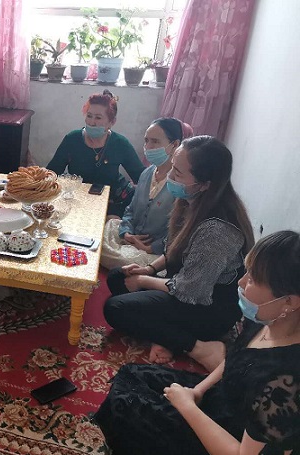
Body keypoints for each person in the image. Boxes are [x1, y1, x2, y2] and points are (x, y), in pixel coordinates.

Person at [96, 230, 300, 455]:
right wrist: (197, 391)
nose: (241, 282)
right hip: (219, 399)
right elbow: (237, 357)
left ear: (289, 302)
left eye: (252, 279)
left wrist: (187, 407)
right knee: (130, 378)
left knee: (127, 407)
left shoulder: (287, 381)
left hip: (227, 437)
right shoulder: (265, 319)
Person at [104, 136, 254, 371]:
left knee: (115, 309)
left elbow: (189, 290)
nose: (170, 177)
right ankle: (165, 335)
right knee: (117, 277)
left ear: (204, 184)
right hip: (184, 285)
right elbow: (174, 249)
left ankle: (198, 347)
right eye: (172, 167)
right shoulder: (191, 200)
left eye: (178, 173)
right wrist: (149, 269)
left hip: (207, 307)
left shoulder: (217, 231)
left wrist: (143, 280)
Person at [100, 117, 193, 270]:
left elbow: (181, 231)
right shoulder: (146, 174)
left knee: (113, 255)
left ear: (175, 145)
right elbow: (130, 210)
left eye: (155, 141)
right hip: (132, 237)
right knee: (107, 227)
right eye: (146, 141)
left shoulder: (179, 184)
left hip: (154, 252)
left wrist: (151, 248)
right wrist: (126, 233)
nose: (148, 147)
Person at [47, 90, 144, 218]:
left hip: (113, 202)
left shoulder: (120, 143)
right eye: (89, 116)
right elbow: (52, 173)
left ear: (112, 122)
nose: (92, 122)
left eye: (98, 118)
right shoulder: (72, 139)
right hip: (78, 201)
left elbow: (142, 177)